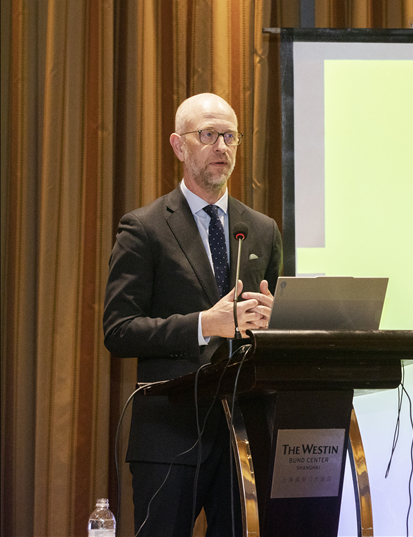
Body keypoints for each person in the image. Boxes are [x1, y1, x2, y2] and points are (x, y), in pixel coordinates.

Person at [104, 93, 282, 535]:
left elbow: (271, 330)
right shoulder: (144, 228)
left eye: (230, 137)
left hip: (245, 438)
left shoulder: (262, 229)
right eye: (208, 135)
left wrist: (276, 323)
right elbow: (120, 330)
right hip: (169, 437)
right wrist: (206, 324)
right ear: (179, 145)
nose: (222, 147)